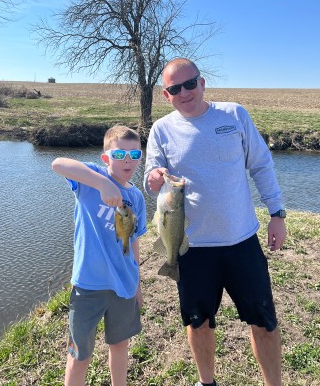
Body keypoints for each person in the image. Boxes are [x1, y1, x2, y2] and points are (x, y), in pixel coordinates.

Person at [143, 58, 286, 386]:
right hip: (191, 247)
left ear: (202, 83)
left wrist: (276, 214)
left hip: (241, 242)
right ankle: (206, 382)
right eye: (174, 89)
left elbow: (261, 165)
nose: (184, 93)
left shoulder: (234, 115)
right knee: (198, 323)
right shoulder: (162, 129)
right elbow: (151, 179)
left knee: (264, 322)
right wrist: (153, 178)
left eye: (190, 84)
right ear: (166, 95)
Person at [52, 125, 147, 386]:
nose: (127, 161)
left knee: (120, 346)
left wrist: (137, 284)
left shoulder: (136, 197)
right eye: (119, 155)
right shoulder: (90, 179)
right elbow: (58, 164)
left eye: (134, 155)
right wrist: (103, 183)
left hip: (124, 286)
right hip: (88, 286)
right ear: (106, 158)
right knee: (79, 356)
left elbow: (134, 241)